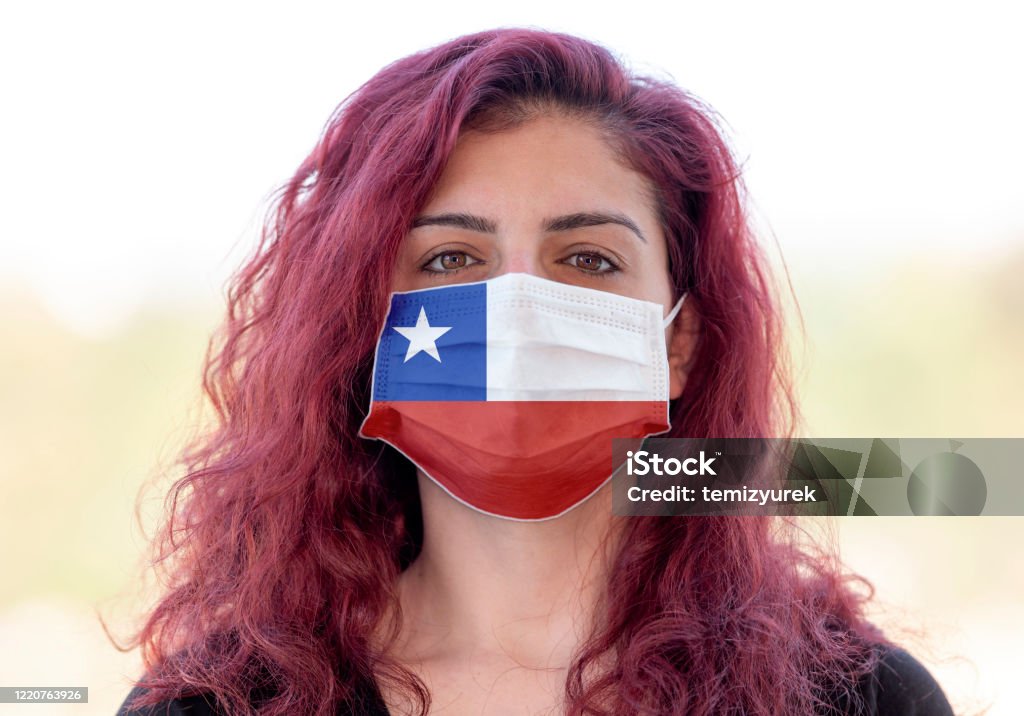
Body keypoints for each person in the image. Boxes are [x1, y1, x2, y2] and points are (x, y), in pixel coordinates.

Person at [113, 28, 955, 715]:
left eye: (588, 259)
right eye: (449, 259)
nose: (517, 307)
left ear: (678, 340)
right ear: (363, 328)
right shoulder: (215, 704)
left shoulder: (859, 700)